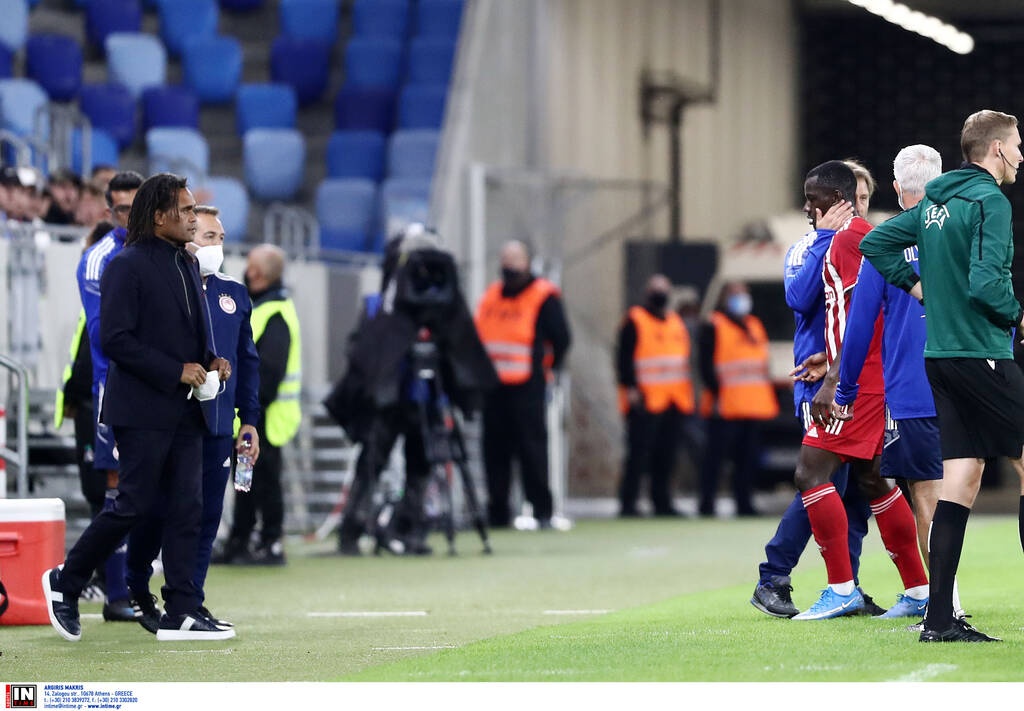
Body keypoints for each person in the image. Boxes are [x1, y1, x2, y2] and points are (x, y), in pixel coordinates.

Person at [42, 172, 235, 641]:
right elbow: (115, 340)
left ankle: (183, 608)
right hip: (142, 409)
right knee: (133, 506)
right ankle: (65, 582)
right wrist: (176, 370)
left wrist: (211, 359)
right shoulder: (125, 265)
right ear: (160, 215)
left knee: (186, 507)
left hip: (186, 408)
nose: (194, 217)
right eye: (186, 210)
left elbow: (190, 331)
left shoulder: (185, 262)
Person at [860, 110, 1024, 643]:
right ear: (995, 150)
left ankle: (938, 620)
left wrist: (915, 287)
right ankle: (940, 616)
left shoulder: (933, 201)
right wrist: (1019, 315)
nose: (1021, 154)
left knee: (962, 478)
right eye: (1017, 145)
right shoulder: (989, 201)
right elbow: (985, 286)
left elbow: (878, 243)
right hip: (982, 354)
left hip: (940, 359)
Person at [787, 160, 928, 621]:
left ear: (837, 199)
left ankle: (842, 588)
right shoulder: (865, 238)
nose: (809, 208)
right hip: (865, 372)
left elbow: (864, 315)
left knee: (810, 473)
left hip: (860, 382)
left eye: (815, 199)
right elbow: (852, 313)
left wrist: (834, 380)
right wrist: (827, 358)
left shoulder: (849, 239)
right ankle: (919, 589)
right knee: (874, 479)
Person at [830, 144, 964, 621]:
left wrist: (845, 391)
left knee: (927, 495)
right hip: (972, 383)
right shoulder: (969, 233)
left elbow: (861, 325)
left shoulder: (883, 243)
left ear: (896, 189)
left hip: (913, 391)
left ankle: (947, 601)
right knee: (968, 488)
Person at [125, 205, 261, 631]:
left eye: (220, 239)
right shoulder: (164, 289)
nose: (216, 247)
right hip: (168, 424)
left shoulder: (235, 294)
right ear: (185, 239)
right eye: (207, 238)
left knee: (204, 518)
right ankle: (137, 588)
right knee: (157, 511)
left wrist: (249, 420)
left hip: (217, 426)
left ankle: (188, 602)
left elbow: (248, 362)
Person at [325, 226, 498, 555]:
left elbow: (461, 347)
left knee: (423, 465)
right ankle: (353, 530)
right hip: (389, 399)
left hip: (428, 397)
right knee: (372, 463)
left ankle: (409, 529)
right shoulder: (380, 305)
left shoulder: (445, 306)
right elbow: (362, 351)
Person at [750, 195, 880, 618]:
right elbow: (800, 297)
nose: (857, 209)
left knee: (860, 490)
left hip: (855, 381)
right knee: (822, 483)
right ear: (827, 205)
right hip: (819, 384)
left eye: (864, 198)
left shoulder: (863, 242)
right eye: (852, 199)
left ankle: (847, 584)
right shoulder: (808, 246)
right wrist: (826, 237)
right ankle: (774, 576)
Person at [75, 170, 144, 625]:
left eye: (138, 208)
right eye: (123, 209)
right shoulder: (99, 260)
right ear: (108, 211)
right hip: (116, 388)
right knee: (118, 490)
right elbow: (107, 337)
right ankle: (112, 591)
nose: (130, 216)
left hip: (158, 385)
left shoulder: (163, 251)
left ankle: (137, 588)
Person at [474, 240, 572, 529]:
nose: (509, 265)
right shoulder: (491, 296)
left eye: (515, 259)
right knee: (494, 452)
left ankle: (541, 510)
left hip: (527, 386)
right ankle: (498, 512)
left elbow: (562, 339)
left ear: (528, 262)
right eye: (505, 258)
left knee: (532, 449)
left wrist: (548, 371)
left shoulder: (543, 296)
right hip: (493, 388)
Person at [217, 244, 302, 566]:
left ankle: (270, 542)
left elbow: (269, 373)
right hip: (256, 413)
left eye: (251, 266)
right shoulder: (265, 307)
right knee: (246, 480)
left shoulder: (275, 312)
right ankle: (242, 540)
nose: (246, 270)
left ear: (260, 273)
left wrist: (249, 405)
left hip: (266, 415)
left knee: (263, 481)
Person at [696, 281, 779, 517]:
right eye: (736, 295)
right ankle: (707, 504)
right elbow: (705, 366)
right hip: (725, 406)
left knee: (747, 460)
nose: (741, 299)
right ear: (725, 298)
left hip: (754, 405)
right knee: (715, 458)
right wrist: (716, 392)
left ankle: (744, 503)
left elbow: (762, 365)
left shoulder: (754, 325)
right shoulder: (714, 325)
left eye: (744, 295)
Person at [615, 274, 694, 517]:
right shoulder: (635, 320)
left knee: (666, 455)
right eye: (656, 289)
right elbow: (623, 358)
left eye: (664, 289)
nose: (660, 294)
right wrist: (630, 387)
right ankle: (629, 503)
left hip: (674, 400)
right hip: (645, 400)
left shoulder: (675, 322)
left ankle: (662, 502)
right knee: (638, 455)